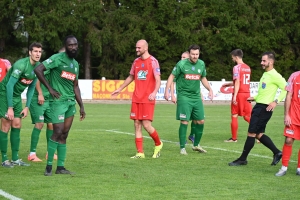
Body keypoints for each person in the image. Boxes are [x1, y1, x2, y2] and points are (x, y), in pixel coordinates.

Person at [34, 35, 86, 176]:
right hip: (57, 102)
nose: (73, 47)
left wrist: (81, 105)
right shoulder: (57, 58)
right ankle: (49, 166)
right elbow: (38, 69)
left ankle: (61, 167)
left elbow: (76, 86)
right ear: (66, 46)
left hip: (70, 103)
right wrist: (49, 88)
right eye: (70, 45)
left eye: (75, 45)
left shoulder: (75, 64)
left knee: (64, 134)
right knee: (57, 132)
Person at [229, 52, 287, 166]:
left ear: (271, 62)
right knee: (258, 134)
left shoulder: (275, 75)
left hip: (263, 108)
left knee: (251, 133)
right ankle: (277, 152)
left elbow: (286, 88)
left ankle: (242, 159)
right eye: (262, 60)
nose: (261, 63)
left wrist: (276, 101)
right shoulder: (266, 74)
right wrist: (254, 97)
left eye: (264, 61)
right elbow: (265, 92)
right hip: (259, 106)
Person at [111, 39, 163, 159]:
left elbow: (158, 79)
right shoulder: (136, 62)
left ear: (145, 47)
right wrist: (120, 88)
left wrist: (154, 92)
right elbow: (131, 77)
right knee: (136, 124)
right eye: (136, 47)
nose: (136, 50)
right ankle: (140, 153)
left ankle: (158, 144)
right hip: (136, 98)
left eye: (139, 48)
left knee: (146, 125)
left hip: (147, 98)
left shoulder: (153, 62)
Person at [164, 44, 213, 155]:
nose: (195, 56)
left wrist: (210, 89)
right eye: (193, 54)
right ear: (189, 53)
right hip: (184, 96)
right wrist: (167, 90)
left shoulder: (201, 64)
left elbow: (203, 78)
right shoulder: (181, 64)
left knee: (201, 121)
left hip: (196, 97)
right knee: (185, 121)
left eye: (197, 54)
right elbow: (172, 76)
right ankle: (182, 148)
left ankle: (196, 145)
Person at [0, 42, 42, 168]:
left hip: (17, 96)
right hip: (4, 93)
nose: (37, 54)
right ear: (30, 52)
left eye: (40, 52)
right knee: (6, 123)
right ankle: (4, 159)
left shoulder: (38, 67)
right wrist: (10, 108)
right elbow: (9, 85)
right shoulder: (21, 65)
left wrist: (27, 107)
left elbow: (31, 88)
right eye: (35, 51)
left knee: (17, 124)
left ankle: (15, 158)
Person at [27, 47, 65, 162]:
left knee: (51, 125)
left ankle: (50, 152)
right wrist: (40, 94)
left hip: (49, 99)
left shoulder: (61, 67)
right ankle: (32, 154)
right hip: (38, 98)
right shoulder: (50, 64)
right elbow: (38, 77)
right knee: (39, 124)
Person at [170, 51, 204, 144]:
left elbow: (194, 82)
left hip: (194, 97)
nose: (182, 59)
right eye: (181, 57)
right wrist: (172, 95)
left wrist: (200, 93)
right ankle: (183, 140)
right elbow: (172, 81)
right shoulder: (180, 68)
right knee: (185, 120)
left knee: (196, 118)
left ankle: (192, 135)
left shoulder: (197, 65)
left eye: (184, 57)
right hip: (184, 97)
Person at [222, 49, 252, 142]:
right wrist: (230, 84)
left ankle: (234, 138)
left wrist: (234, 96)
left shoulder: (237, 67)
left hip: (239, 94)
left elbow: (238, 81)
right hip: (247, 94)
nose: (232, 59)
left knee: (234, 115)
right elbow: (241, 81)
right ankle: (259, 134)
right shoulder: (247, 67)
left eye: (232, 57)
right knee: (247, 116)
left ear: (236, 57)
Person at [275, 71, 300, 176]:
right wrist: (287, 115)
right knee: (289, 140)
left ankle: (299, 168)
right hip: (294, 114)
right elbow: (289, 95)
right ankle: (284, 167)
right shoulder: (294, 76)